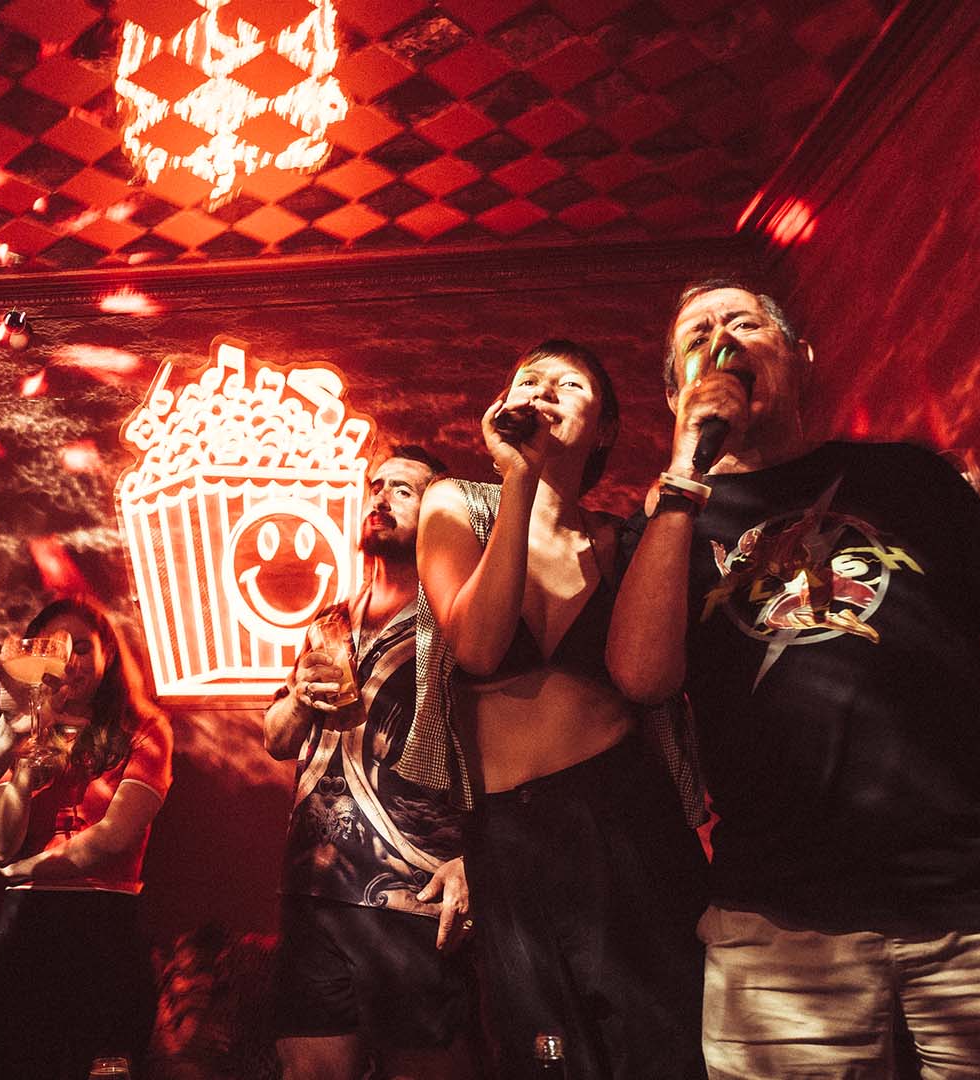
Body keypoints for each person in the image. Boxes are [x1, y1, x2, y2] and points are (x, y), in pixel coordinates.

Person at [608, 280, 980, 1078]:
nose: (720, 338)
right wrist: (686, 469)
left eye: (744, 321)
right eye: (697, 334)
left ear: (798, 357)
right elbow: (642, 677)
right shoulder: (672, 526)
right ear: (676, 388)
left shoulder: (911, 481)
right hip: (778, 938)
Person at [411, 341, 708, 1079]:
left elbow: (649, 681)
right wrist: (518, 480)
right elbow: (477, 647)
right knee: (547, 1053)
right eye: (527, 381)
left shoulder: (618, 541)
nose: (543, 390)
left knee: (666, 1038)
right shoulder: (458, 506)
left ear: (604, 426)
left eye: (568, 383)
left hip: (625, 813)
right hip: (508, 829)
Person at [263, 446, 477, 1080]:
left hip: (412, 891)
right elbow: (276, 739)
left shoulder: (461, 620)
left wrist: (478, 860)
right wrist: (302, 695)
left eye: (405, 490)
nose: (382, 497)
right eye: (376, 485)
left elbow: (500, 748)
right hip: (313, 887)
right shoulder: (329, 619)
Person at [0, 596, 174, 1079]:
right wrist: (22, 777)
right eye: (52, 649)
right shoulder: (19, 726)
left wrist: (26, 870)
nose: (69, 662)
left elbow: (114, 837)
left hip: (102, 924)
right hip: (24, 931)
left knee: (104, 1065)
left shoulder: (144, 729)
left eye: (82, 648)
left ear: (108, 655)